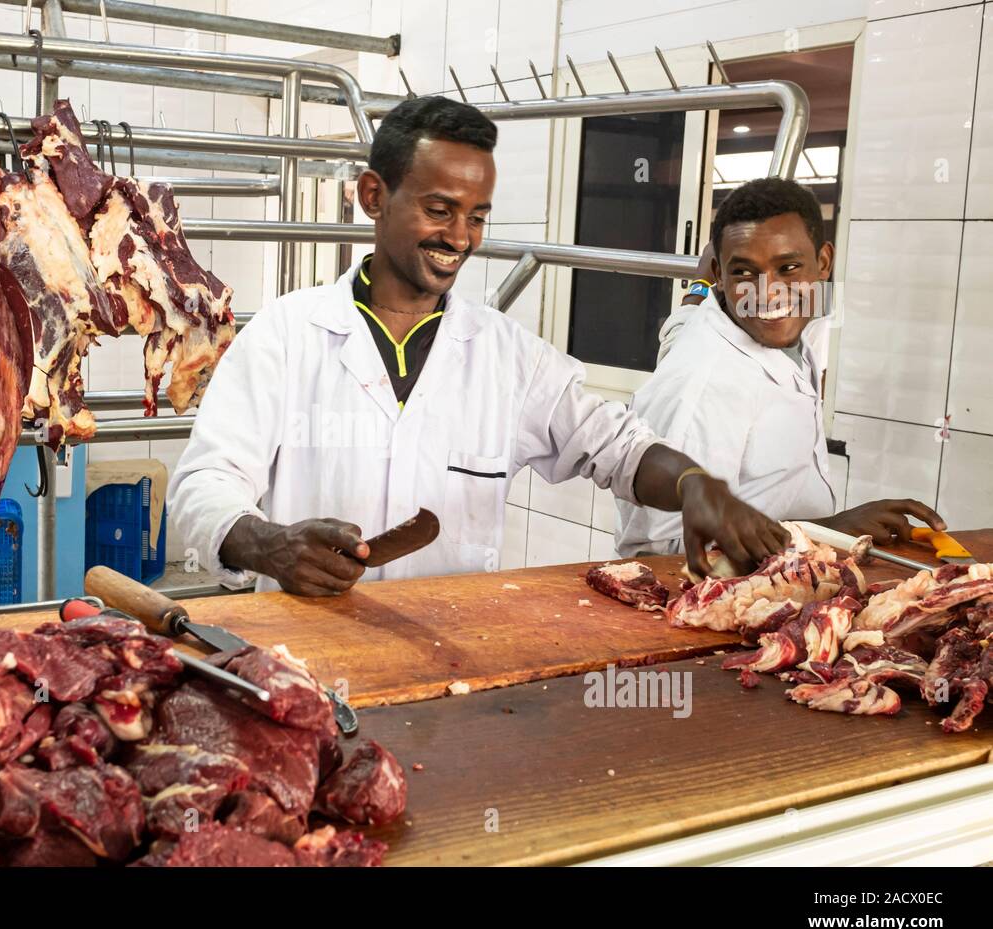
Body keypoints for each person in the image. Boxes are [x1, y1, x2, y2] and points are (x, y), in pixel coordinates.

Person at [169, 96, 790, 595]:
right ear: (373, 196)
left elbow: (617, 448)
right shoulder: (287, 334)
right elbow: (201, 486)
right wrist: (268, 545)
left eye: (478, 216)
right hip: (304, 656)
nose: (460, 237)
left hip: (450, 658)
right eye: (440, 209)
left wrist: (692, 484)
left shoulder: (506, 356)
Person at [616, 176, 945, 557]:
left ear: (823, 262)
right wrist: (827, 531)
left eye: (788, 267)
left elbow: (685, 321)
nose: (767, 292)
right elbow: (662, 554)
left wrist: (698, 287)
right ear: (721, 276)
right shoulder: (705, 383)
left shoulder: (784, 327)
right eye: (743, 272)